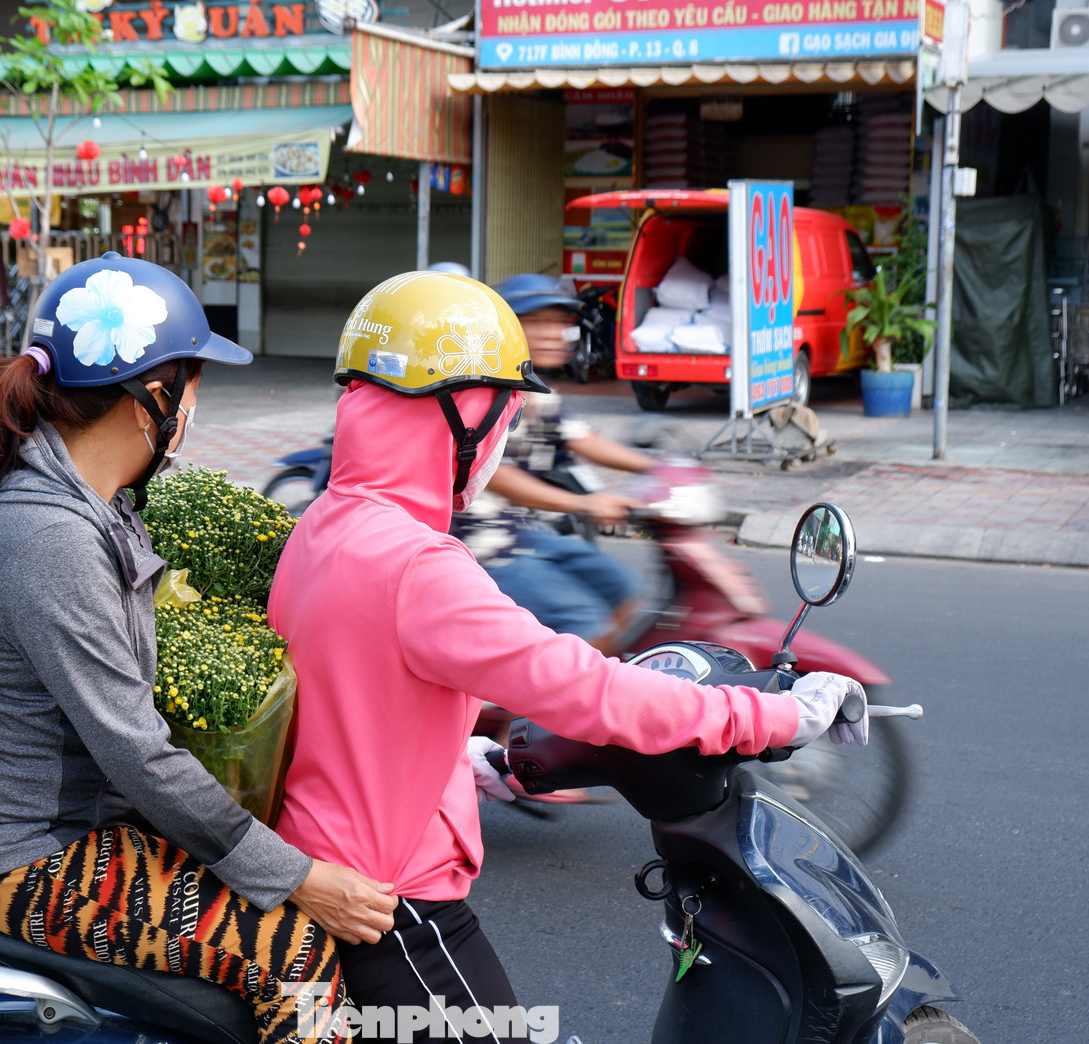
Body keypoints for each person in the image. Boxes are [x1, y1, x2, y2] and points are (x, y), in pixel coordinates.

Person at [267, 270, 867, 1043]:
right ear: (460, 415)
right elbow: (593, 693)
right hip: (394, 905)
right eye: (502, 419)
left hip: (342, 852)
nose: (503, 443)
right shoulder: (418, 566)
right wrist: (776, 711)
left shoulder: (329, 522)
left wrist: (473, 764)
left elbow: (357, 704)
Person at [0, 252, 397, 1044]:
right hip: (7, 857)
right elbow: (135, 750)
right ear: (152, 398)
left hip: (60, 829)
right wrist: (299, 878)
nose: (198, 409)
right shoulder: (49, 537)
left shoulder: (89, 502)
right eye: (195, 386)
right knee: (294, 956)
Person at [451, 273, 658, 652]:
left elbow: (582, 437)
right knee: (584, 620)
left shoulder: (535, 391)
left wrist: (653, 467)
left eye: (559, 324)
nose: (553, 334)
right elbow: (496, 474)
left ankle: (591, 688)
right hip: (481, 546)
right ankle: (552, 702)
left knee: (624, 590)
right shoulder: (481, 394)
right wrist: (585, 503)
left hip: (524, 532)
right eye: (537, 323)